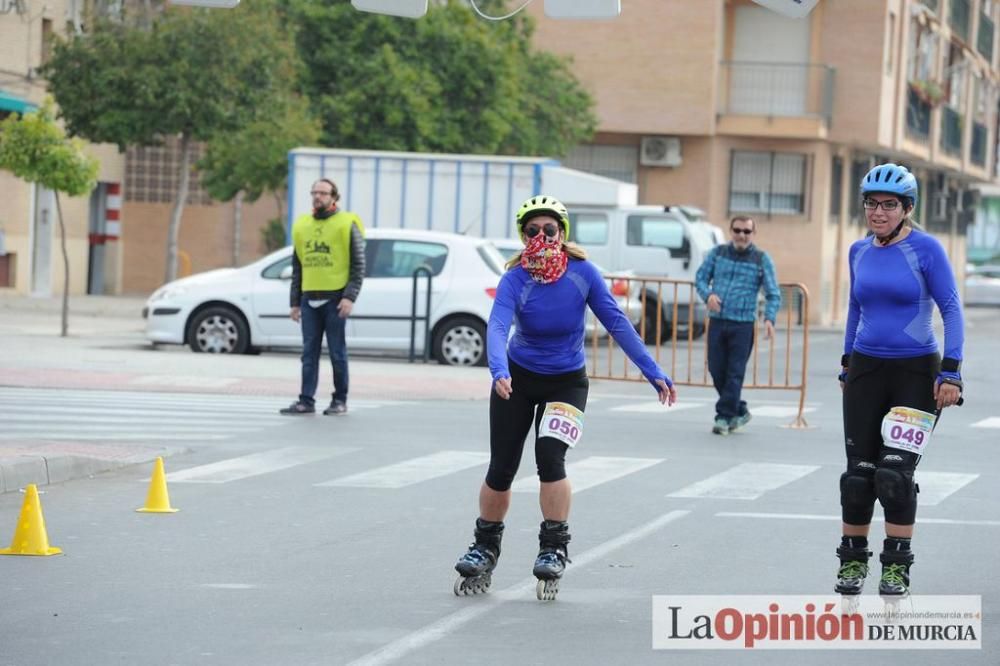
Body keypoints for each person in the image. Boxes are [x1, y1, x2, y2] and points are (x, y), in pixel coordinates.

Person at [452, 195, 677, 601]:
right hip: (517, 378)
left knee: (550, 458)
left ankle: (553, 547)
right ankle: (484, 545)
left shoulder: (583, 273)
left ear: (563, 234)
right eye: (532, 231)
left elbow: (617, 323)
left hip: (566, 382)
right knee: (502, 466)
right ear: (523, 237)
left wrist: (653, 371)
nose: (542, 237)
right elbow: (498, 325)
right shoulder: (515, 278)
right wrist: (499, 370)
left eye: (549, 230)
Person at [835, 163, 964, 598]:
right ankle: (852, 563)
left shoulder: (926, 250)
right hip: (866, 371)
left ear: (907, 209)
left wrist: (952, 370)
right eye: (871, 203)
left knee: (894, 476)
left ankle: (896, 567)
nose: (878, 211)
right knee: (858, 477)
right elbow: (855, 308)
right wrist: (848, 362)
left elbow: (950, 308)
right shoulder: (859, 251)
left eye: (889, 204)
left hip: (916, 372)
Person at [280, 178, 365, 416]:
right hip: (309, 299)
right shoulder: (302, 225)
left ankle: (340, 400)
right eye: (314, 192)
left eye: (323, 193)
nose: (317, 197)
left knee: (337, 352)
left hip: (336, 298)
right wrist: (295, 302)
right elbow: (298, 265)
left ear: (334, 197)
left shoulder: (347, 223)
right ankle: (306, 400)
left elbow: (358, 264)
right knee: (309, 353)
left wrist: (350, 297)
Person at [695, 216, 781, 435]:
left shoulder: (761, 259)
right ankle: (739, 410)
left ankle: (723, 416)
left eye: (746, 231)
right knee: (716, 369)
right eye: (737, 230)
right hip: (717, 321)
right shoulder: (717, 253)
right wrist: (708, 296)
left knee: (735, 372)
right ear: (731, 231)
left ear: (753, 234)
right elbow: (701, 278)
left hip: (743, 325)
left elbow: (773, 293)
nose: (742, 235)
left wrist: (769, 319)